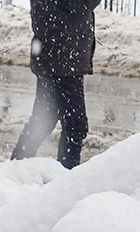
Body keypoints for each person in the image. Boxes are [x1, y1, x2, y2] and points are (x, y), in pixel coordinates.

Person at [11, 0, 101, 169]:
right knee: (75, 126)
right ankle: (65, 181)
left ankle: (14, 167)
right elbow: (79, 5)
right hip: (62, 60)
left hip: (57, 57)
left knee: (44, 120)